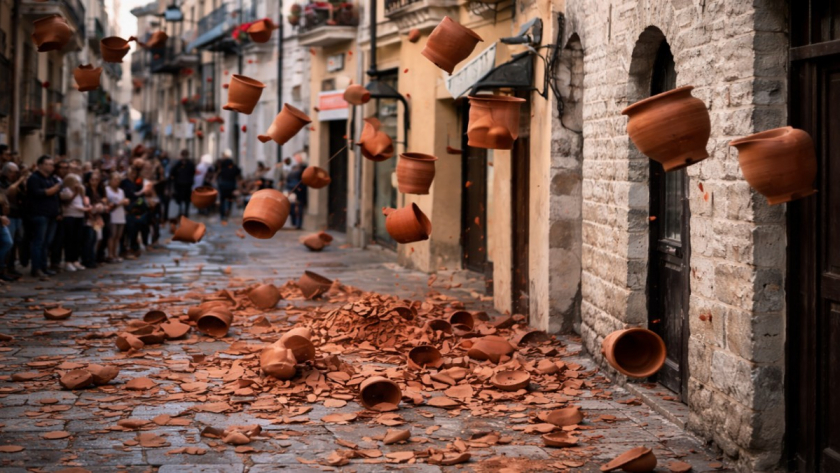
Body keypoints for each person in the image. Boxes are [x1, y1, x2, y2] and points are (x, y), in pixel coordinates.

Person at [25, 156, 61, 279]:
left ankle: (44, 267)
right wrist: (52, 190)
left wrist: (58, 211)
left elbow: (56, 197)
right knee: (38, 242)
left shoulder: (52, 179)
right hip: (39, 214)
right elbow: (37, 193)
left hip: (51, 214)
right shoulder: (34, 178)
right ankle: (36, 268)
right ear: (40, 165)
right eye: (47, 164)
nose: (50, 166)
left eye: (52, 164)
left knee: (47, 243)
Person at [121, 159, 151, 259]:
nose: (133, 174)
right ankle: (126, 249)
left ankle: (134, 247)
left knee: (135, 230)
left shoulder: (137, 182)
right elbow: (131, 195)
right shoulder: (125, 182)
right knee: (127, 231)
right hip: (128, 209)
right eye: (132, 172)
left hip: (137, 209)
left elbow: (139, 196)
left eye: (135, 173)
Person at [0, 162, 27, 277]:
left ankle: (10, 267)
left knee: (15, 242)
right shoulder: (3, 182)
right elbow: (9, 192)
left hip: (17, 215)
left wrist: (23, 182)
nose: (15, 174)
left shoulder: (17, 183)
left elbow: (24, 195)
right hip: (7, 216)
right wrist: (20, 180)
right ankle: (3, 269)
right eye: (13, 172)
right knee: (7, 242)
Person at [59, 174, 90, 272]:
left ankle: (75, 259)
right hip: (70, 216)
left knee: (78, 239)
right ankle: (68, 261)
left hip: (79, 216)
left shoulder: (80, 192)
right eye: (76, 182)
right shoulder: (66, 191)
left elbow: (82, 202)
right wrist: (75, 193)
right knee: (70, 239)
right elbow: (67, 202)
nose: (78, 185)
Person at [82, 171, 107, 268]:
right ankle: (87, 260)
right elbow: (86, 203)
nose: (95, 182)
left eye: (97, 179)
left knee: (96, 238)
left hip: (97, 218)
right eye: (92, 179)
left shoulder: (99, 190)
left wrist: (101, 206)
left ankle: (93, 258)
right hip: (89, 218)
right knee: (89, 238)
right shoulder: (87, 190)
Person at [106, 172, 127, 262]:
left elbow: (124, 201)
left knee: (118, 236)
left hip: (120, 214)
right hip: (112, 214)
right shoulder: (107, 190)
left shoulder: (121, 191)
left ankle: (115, 253)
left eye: (118, 180)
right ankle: (110, 254)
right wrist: (120, 202)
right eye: (114, 180)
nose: (117, 182)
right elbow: (109, 202)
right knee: (112, 235)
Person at [216, 149, 241, 220]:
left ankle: (222, 214)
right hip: (231, 185)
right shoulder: (234, 167)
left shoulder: (222, 166)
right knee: (230, 199)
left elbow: (218, 174)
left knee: (222, 200)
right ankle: (227, 212)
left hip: (223, 185)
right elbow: (238, 174)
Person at [170, 150, 195, 219]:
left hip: (183, 184)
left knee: (184, 199)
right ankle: (183, 212)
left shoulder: (185, 163)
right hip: (182, 184)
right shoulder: (182, 163)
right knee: (183, 199)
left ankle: (183, 212)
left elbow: (172, 172)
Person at [285, 164, 307, 230]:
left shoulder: (291, 173)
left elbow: (287, 182)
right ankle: (298, 224)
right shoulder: (301, 173)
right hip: (300, 193)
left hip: (291, 192)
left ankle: (294, 223)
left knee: (292, 208)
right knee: (299, 210)